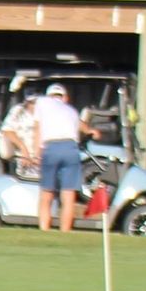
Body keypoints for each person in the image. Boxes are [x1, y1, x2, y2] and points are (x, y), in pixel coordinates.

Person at [33, 81, 97, 231]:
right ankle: (65, 233)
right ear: (65, 98)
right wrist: (92, 131)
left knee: (46, 194)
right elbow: (84, 127)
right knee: (68, 196)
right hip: (71, 149)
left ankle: (44, 231)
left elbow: (37, 129)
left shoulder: (42, 103)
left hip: (52, 147)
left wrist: (36, 154)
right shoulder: (72, 111)